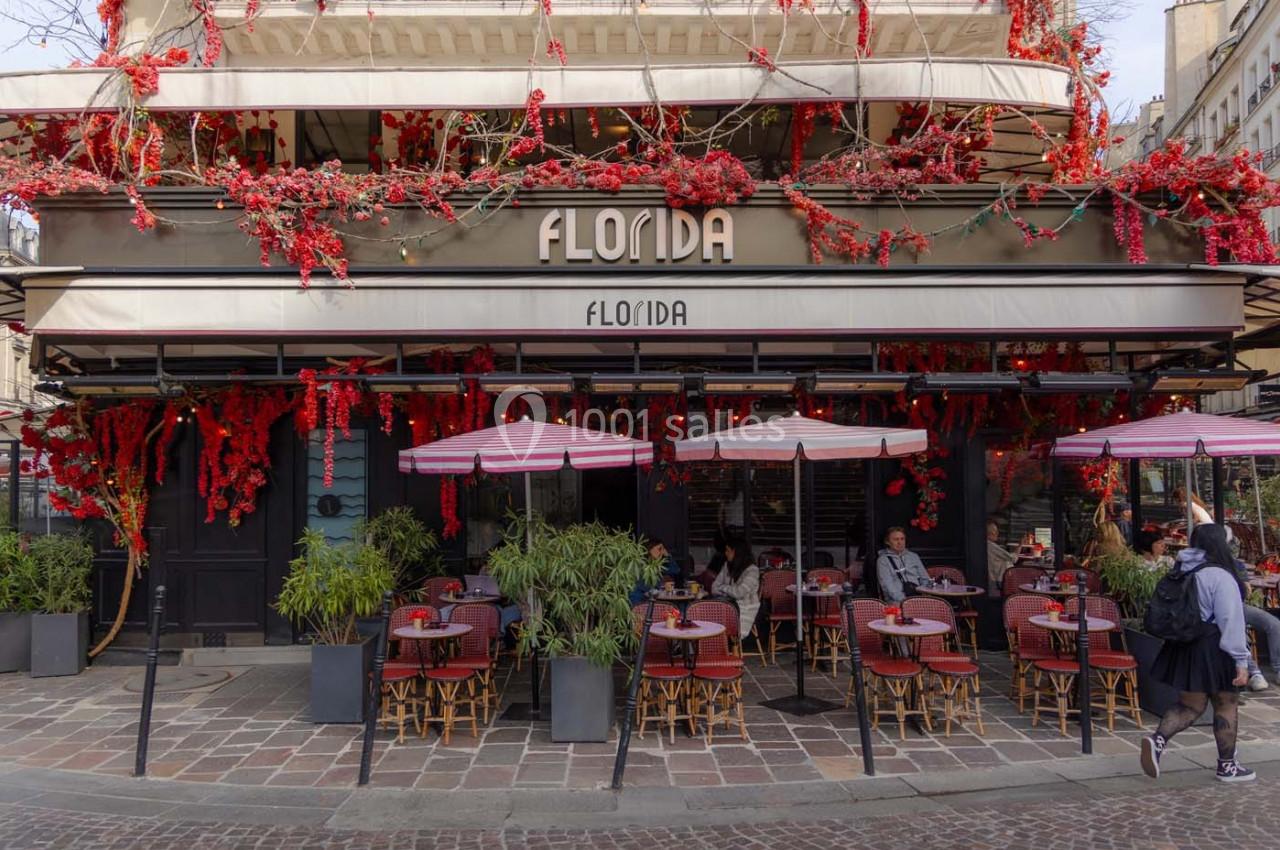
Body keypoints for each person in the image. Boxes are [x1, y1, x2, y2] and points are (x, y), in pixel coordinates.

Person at [1141, 523, 1255, 783]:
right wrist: (1241, 660)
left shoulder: (1182, 568)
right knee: (1226, 704)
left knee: (1189, 705)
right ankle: (1227, 766)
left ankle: (1157, 740)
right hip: (1215, 647)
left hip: (1186, 644)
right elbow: (1230, 620)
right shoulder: (1220, 576)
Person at [1224, 526, 1280, 692]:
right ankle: (1255, 673)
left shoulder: (1237, 565)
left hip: (1239, 605)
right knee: (1238, 629)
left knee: (1274, 624)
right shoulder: (1210, 565)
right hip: (1223, 610)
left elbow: (1247, 590)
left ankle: (1278, 668)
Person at [711, 538, 760, 637]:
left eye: (728, 551)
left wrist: (723, 588)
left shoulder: (752, 570)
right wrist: (729, 590)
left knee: (710, 615)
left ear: (737, 552)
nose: (726, 553)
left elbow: (739, 593)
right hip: (726, 606)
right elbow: (714, 588)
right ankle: (708, 644)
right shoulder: (727, 566)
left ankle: (714, 642)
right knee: (706, 611)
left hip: (744, 608)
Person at [876, 527, 931, 603]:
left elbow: (925, 579)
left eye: (902, 539)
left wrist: (923, 595)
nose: (900, 542)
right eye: (896, 539)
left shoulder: (913, 556)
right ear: (887, 542)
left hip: (918, 597)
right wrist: (906, 601)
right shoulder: (883, 560)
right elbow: (888, 587)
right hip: (897, 601)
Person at [630, 538, 684, 606]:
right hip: (640, 602)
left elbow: (675, 570)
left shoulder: (658, 565)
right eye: (659, 549)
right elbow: (644, 588)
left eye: (663, 549)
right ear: (649, 549)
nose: (662, 552)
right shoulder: (640, 565)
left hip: (652, 601)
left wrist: (668, 556)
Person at [986, 520, 1015, 596]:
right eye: (995, 531)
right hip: (996, 581)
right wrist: (1021, 545)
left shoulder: (989, 545)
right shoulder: (991, 546)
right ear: (989, 533)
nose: (997, 533)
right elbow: (1013, 558)